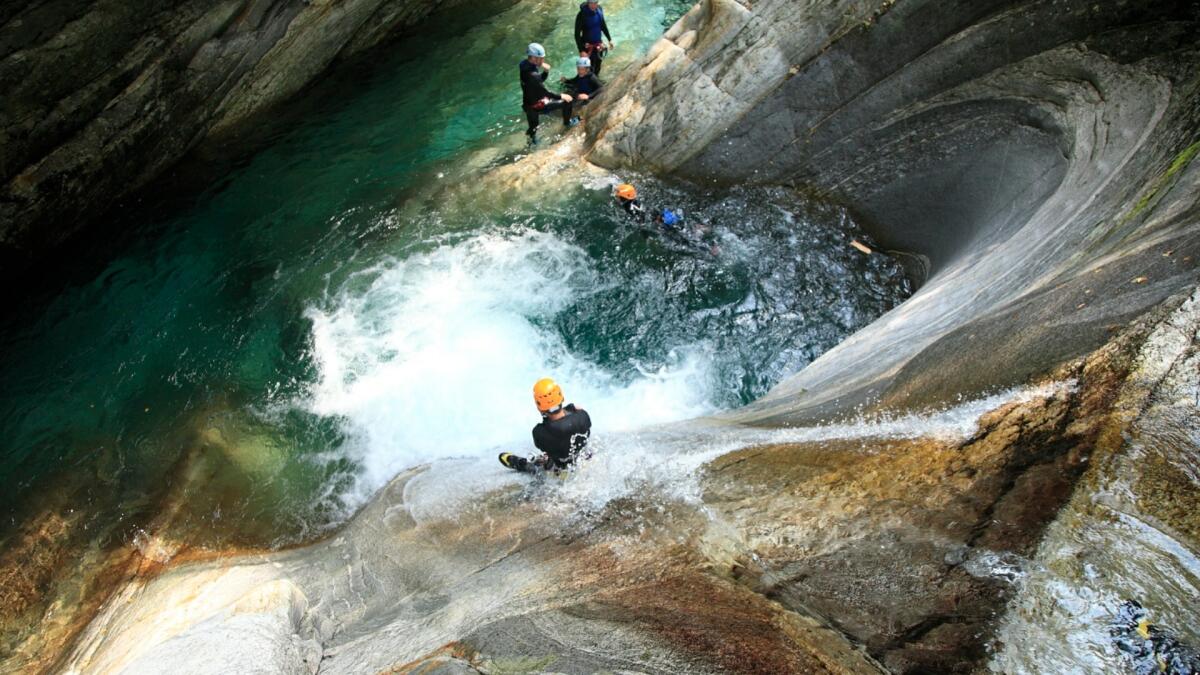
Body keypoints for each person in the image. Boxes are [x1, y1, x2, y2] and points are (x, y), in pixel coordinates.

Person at [499, 378, 592, 473]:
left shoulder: (539, 431)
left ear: (540, 408)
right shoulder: (583, 416)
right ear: (561, 397)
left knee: (545, 458)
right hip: (584, 460)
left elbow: (544, 447)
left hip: (560, 469)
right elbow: (577, 409)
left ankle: (523, 465)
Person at [613, 183, 719, 255]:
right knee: (685, 228)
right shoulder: (635, 201)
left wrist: (645, 237)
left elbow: (640, 223)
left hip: (663, 221)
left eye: (618, 196)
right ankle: (706, 228)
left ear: (625, 197)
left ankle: (710, 249)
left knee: (684, 240)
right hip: (664, 214)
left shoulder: (629, 208)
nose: (616, 197)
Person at [520, 43, 576, 144]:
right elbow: (545, 92)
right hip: (538, 105)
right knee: (568, 102)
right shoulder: (533, 75)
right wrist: (562, 95)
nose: (543, 61)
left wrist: (545, 71)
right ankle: (567, 123)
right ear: (533, 58)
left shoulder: (523, 65)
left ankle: (531, 142)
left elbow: (537, 82)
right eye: (541, 58)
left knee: (533, 127)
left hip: (528, 105)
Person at [574, 1, 613, 77]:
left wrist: (609, 39)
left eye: (595, 2)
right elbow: (577, 34)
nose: (593, 5)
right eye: (591, 3)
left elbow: (603, 25)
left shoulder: (599, 9)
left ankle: (596, 84)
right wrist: (581, 50)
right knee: (587, 70)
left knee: (597, 67)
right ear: (588, 2)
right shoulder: (582, 15)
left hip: (598, 45)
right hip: (587, 47)